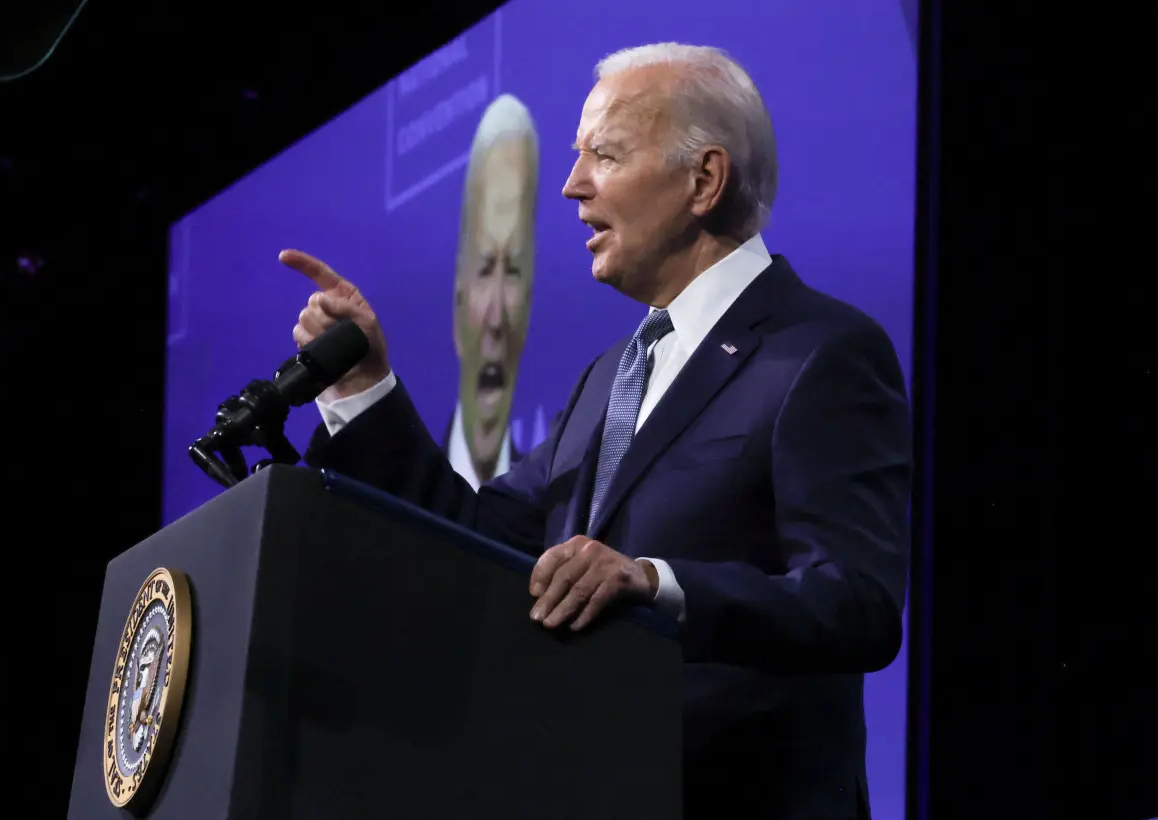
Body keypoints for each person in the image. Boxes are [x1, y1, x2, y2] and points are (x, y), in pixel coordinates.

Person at [284, 42, 911, 820]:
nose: (572, 186)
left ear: (703, 181)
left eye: (604, 156)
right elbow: (476, 538)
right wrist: (364, 389)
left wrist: (657, 583)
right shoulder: (609, 378)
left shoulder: (820, 351)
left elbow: (857, 602)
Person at [314, 94, 540, 489]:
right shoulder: (399, 490)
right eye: (485, 269)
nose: (497, 317)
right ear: (457, 303)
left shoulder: (555, 508)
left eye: (515, 272)